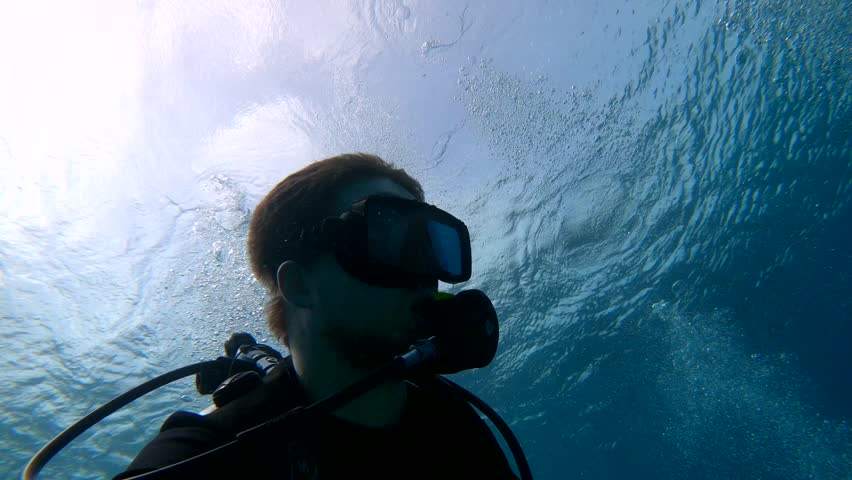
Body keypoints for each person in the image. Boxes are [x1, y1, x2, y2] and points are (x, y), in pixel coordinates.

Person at [114, 153, 517, 479]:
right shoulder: (213, 450)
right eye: (389, 237)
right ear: (300, 284)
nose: (426, 276)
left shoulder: (453, 428)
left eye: (432, 246)